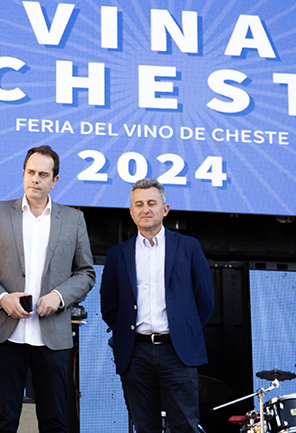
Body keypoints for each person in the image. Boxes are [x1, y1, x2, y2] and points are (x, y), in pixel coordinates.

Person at [0, 145, 95, 433]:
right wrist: (2, 298)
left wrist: (59, 297)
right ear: (23, 173)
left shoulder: (73, 219)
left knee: (54, 423)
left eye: (43, 174)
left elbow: (86, 273)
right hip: (6, 335)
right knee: (4, 421)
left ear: (55, 180)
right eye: (30, 172)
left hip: (53, 339)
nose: (35, 179)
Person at [100, 178, 214, 433]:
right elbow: (109, 305)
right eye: (139, 204)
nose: (145, 209)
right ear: (131, 213)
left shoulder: (188, 246)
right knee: (144, 427)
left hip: (177, 351)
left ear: (165, 209)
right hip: (135, 353)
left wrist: (184, 330)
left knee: (185, 426)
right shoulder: (117, 254)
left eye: (152, 203)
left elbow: (205, 299)